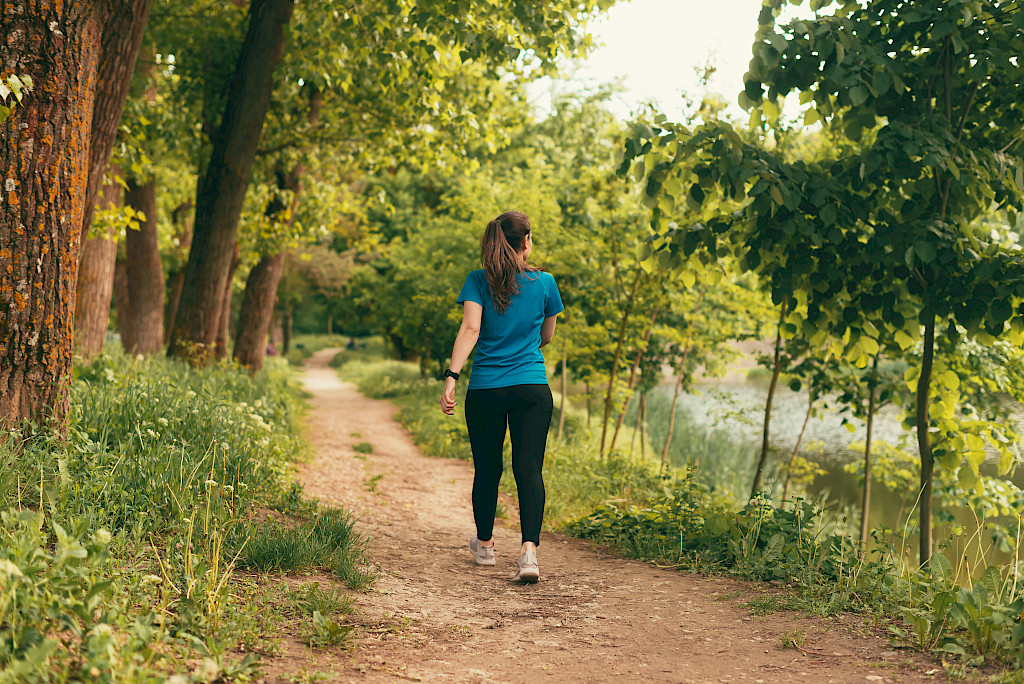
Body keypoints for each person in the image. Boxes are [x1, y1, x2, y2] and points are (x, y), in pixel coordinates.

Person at [439, 211, 563, 584]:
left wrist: (451, 376)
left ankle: (486, 545)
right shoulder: (545, 283)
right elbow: (547, 336)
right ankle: (528, 554)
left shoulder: (477, 281)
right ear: (526, 241)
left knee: (488, 468)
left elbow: (471, 328)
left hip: (485, 389)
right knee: (528, 469)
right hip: (531, 388)